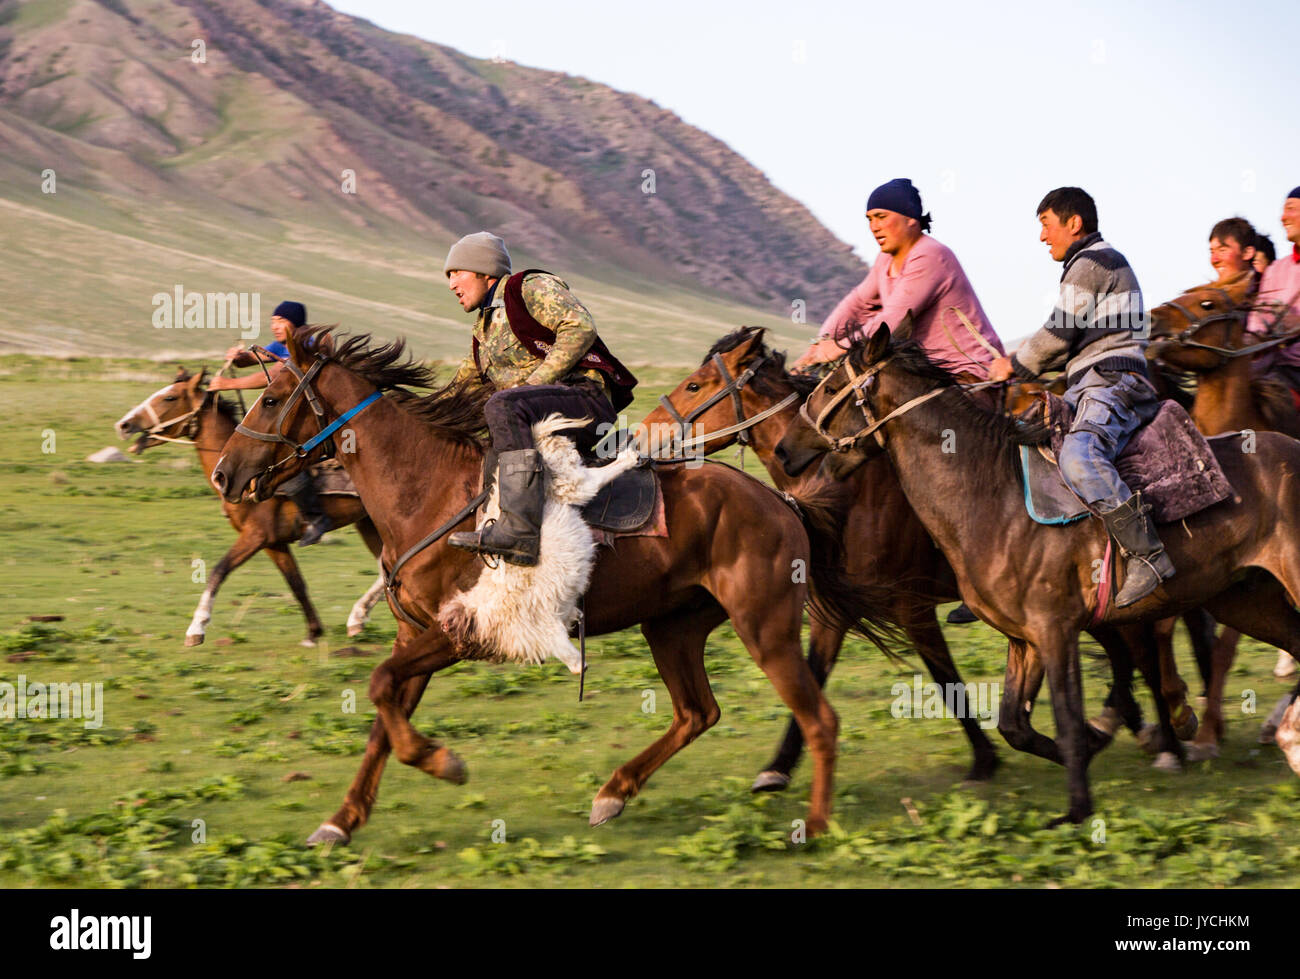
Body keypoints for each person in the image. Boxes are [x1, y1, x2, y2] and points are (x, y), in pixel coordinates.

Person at [988, 187, 1169, 607]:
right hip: (1091, 381)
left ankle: (1149, 555)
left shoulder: (1091, 262)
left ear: (1074, 223)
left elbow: (1056, 335)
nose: (1041, 237)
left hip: (1111, 383)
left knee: (1078, 458)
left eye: (1046, 225)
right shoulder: (1091, 263)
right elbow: (1069, 346)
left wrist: (1013, 366)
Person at [442, 232, 637, 567]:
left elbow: (579, 327)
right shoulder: (483, 330)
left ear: (484, 271)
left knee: (502, 404)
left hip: (583, 401)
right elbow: (462, 386)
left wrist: (529, 386)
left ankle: (519, 531)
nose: (451, 284)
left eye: (455, 272)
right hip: (535, 410)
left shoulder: (527, 287)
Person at [793, 178, 1004, 376]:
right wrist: (819, 344)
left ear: (910, 219)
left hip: (969, 371)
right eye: (870, 219)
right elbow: (857, 304)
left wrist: (837, 348)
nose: (874, 227)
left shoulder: (930, 255)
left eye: (882, 217)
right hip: (926, 375)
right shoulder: (885, 260)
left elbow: (892, 320)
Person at [208, 301, 332, 546]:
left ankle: (317, 518)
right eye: (273, 320)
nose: (275, 326)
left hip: (315, 412)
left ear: (295, 323)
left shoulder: (303, 343)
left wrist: (228, 385)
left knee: (286, 460)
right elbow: (258, 356)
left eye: (281, 321)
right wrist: (239, 358)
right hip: (293, 410)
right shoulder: (282, 344)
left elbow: (277, 374)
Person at [1246, 188, 1300, 391]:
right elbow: (1256, 325)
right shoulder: (1275, 270)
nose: (1283, 217)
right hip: (1270, 370)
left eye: (1291, 209)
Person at [1207, 217, 1258, 284]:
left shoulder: (1268, 287)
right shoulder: (1208, 293)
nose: (1214, 260)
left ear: (1247, 253)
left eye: (1222, 250)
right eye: (1212, 252)